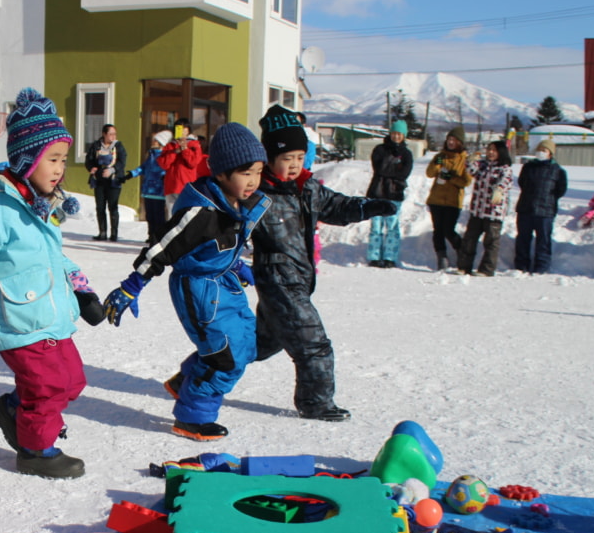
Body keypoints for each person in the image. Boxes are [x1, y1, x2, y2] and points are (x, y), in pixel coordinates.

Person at [162, 105, 393, 422]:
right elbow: (220, 215)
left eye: (300, 157)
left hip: (298, 279)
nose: (295, 165)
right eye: (288, 159)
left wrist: (371, 207)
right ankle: (316, 403)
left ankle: (189, 376)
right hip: (278, 282)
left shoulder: (308, 189)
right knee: (314, 344)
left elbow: (339, 207)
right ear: (269, 159)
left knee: (254, 345)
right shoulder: (257, 194)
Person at [0, 87, 103, 479]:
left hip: (50, 312)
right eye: (53, 159)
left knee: (72, 380)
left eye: (63, 159)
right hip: (17, 317)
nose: (61, 168)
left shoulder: (40, 206)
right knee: (46, 386)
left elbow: (52, 257)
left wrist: (81, 287)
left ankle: (13, 409)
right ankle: (35, 449)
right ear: (28, 159)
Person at [103, 123, 269, 441]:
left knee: (245, 343)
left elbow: (223, 243)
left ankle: (186, 381)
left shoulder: (236, 203)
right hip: (199, 290)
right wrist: (132, 285)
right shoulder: (200, 212)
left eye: (258, 172)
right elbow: (161, 248)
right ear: (221, 172)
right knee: (225, 356)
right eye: (246, 173)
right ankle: (194, 415)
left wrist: (237, 265)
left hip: (225, 283)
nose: (253, 181)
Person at [456, 141, 513, 277]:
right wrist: (469, 161)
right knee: (469, 239)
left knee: (491, 242)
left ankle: (487, 269)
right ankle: (464, 267)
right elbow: (471, 171)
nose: (490, 152)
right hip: (477, 210)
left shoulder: (505, 168)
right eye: (489, 149)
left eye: (494, 150)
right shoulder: (483, 166)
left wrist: (499, 189)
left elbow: (506, 181)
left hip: (494, 212)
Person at [513, 139, 568, 274]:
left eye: (544, 150)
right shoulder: (528, 167)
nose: (540, 152)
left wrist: (548, 199)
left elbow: (560, 190)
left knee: (543, 240)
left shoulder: (557, 170)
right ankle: (521, 265)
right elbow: (522, 183)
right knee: (523, 238)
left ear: (550, 153)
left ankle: (541, 266)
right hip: (526, 208)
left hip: (545, 210)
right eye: (539, 149)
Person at [365, 120, 413, 268]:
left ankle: (390, 257)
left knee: (392, 227)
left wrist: (391, 171)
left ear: (404, 135)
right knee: (376, 227)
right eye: (394, 133)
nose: (396, 136)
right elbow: (379, 168)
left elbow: (404, 173)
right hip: (377, 193)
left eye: (399, 134)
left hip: (394, 194)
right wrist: (394, 168)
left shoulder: (406, 153)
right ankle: (374, 257)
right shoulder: (380, 149)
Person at [425, 126, 473, 270]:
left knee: (448, 230)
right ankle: (442, 257)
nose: (451, 142)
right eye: (449, 139)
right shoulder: (440, 156)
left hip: (453, 201)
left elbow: (466, 181)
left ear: (460, 142)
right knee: (438, 230)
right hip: (436, 200)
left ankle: (462, 252)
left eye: (454, 140)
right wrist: (436, 163)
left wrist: (451, 177)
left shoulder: (465, 160)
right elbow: (429, 173)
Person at [84, 123, 128, 241]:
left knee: (113, 206)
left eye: (114, 134)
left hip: (113, 179)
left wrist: (112, 170)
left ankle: (114, 233)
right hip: (99, 179)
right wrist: (91, 168)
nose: (113, 136)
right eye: (110, 134)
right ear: (104, 134)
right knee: (100, 206)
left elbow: (122, 161)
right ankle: (102, 232)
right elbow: (89, 159)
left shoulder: (118, 146)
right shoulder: (96, 145)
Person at [158, 118, 203, 218]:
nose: (182, 131)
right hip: (171, 186)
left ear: (188, 130)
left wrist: (185, 149)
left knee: (186, 214)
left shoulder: (194, 144)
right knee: (171, 215)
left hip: (186, 184)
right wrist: (174, 152)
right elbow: (163, 164)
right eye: (179, 128)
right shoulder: (170, 146)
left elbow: (193, 162)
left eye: (184, 129)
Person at [132, 129, 171, 243]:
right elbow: (144, 168)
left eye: (156, 140)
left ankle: (158, 236)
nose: (153, 141)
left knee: (158, 216)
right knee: (150, 215)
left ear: (161, 143)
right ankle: (151, 235)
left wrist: (163, 177)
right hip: (148, 190)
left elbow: (165, 169)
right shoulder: (151, 155)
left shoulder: (164, 156)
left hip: (159, 191)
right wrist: (132, 173)